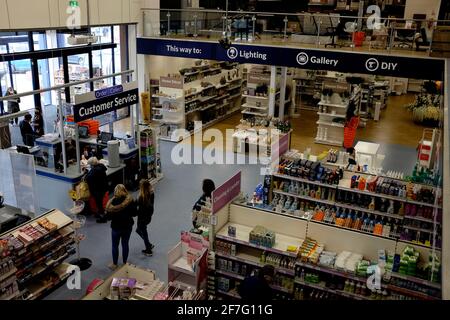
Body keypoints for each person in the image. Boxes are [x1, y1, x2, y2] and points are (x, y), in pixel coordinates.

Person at [105, 184, 136, 270]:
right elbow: (134, 213)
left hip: (116, 227)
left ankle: (114, 264)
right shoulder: (130, 200)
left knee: (115, 245)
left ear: (115, 192)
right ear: (125, 190)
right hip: (127, 226)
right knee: (125, 244)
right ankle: (125, 263)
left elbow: (108, 218)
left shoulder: (111, 203)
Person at [85, 157, 109, 223]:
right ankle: (101, 214)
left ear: (92, 164)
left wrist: (86, 173)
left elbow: (87, 178)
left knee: (99, 205)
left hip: (97, 190)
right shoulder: (101, 167)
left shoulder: (95, 170)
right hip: (103, 188)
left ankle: (103, 218)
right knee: (100, 203)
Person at [136, 179, 155, 257]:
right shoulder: (151, 193)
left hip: (142, 218)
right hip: (148, 217)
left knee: (143, 232)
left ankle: (148, 249)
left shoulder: (141, 198)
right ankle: (149, 244)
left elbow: (138, 208)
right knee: (139, 230)